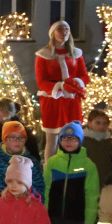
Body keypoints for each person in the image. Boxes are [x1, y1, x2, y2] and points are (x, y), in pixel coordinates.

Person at [35, 20, 89, 160]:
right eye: (60, 29)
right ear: (53, 33)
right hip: (53, 101)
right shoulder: (43, 55)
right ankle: (50, 169)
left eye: (66, 29)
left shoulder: (76, 54)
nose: (63, 32)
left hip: (72, 101)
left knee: (73, 138)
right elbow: (41, 82)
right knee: (52, 140)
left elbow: (84, 76)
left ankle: (71, 167)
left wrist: (75, 83)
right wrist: (60, 86)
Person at [0, 121, 45, 214]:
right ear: (5, 139)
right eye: (12, 137)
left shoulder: (32, 163)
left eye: (21, 137)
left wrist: (33, 212)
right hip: (0, 213)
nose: (17, 141)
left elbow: (39, 189)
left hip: (25, 214)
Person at [82, 109, 112, 185]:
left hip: (105, 184)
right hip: (84, 183)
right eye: (98, 123)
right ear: (89, 123)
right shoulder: (82, 142)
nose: (102, 126)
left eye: (105, 123)